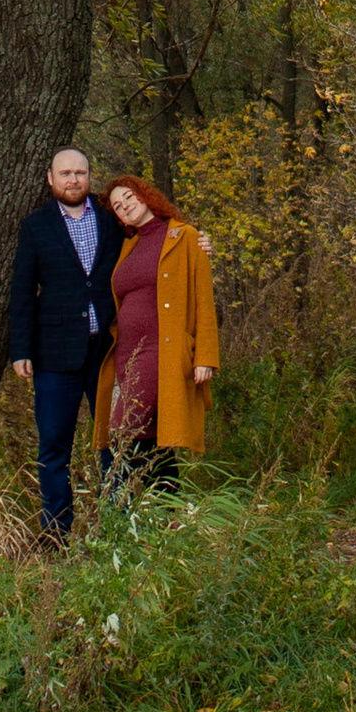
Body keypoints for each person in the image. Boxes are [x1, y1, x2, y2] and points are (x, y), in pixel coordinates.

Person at [8, 142, 121, 540]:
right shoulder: (36, 226)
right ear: (51, 179)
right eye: (65, 173)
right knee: (54, 444)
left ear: (90, 177)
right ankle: (56, 531)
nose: (74, 179)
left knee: (112, 440)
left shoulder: (111, 220)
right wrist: (19, 349)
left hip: (107, 350)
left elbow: (154, 241)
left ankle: (118, 526)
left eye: (80, 173)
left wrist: (196, 242)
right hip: (54, 354)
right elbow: (23, 290)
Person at [93, 175, 218, 497]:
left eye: (129, 198)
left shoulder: (184, 237)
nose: (125, 207)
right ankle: (167, 516)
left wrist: (205, 357)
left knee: (123, 429)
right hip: (126, 353)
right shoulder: (128, 246)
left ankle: (114, 514)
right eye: (118, 207)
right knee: (151, 438)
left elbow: (203, 300)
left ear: (145, 196)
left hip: (159, 351)